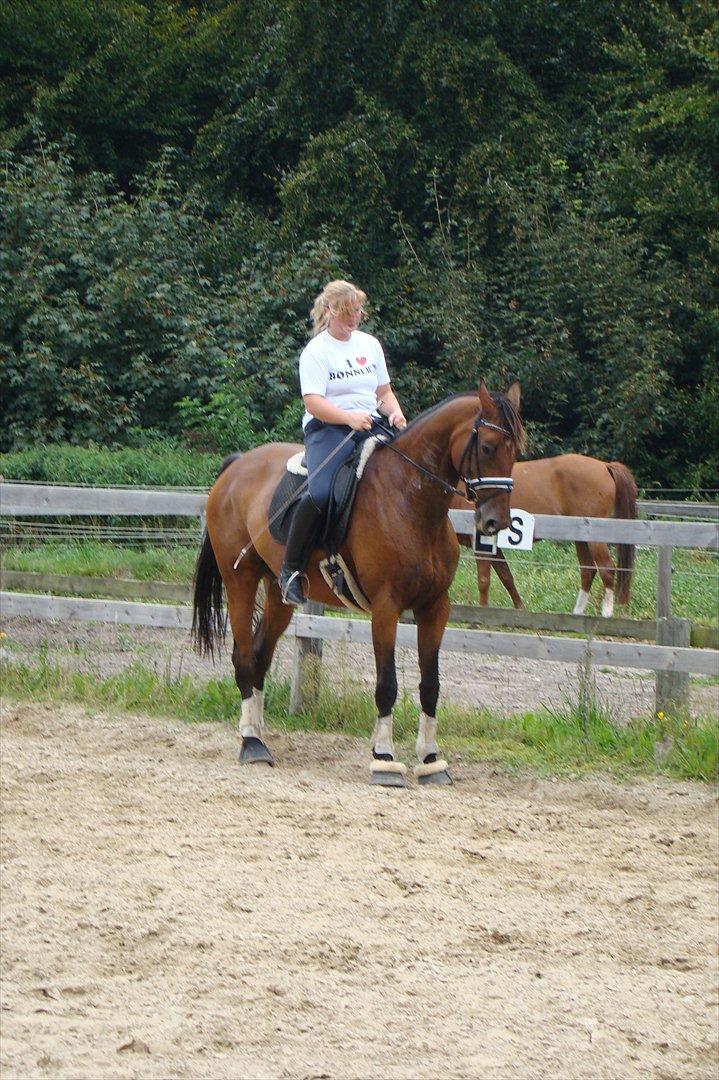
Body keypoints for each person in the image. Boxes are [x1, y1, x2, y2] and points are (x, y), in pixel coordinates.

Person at [278, 279, 407, 605]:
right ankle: (290, 569)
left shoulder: (369, 344)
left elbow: (382, 393)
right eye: (348, 312)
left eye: (358, 311)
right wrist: (348, 418)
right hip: (328, 429)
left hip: (371, 424)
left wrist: (396, 413)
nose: (355, 318)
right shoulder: (316, 351)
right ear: (329, 311)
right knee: (320, 493)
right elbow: (313, 403)